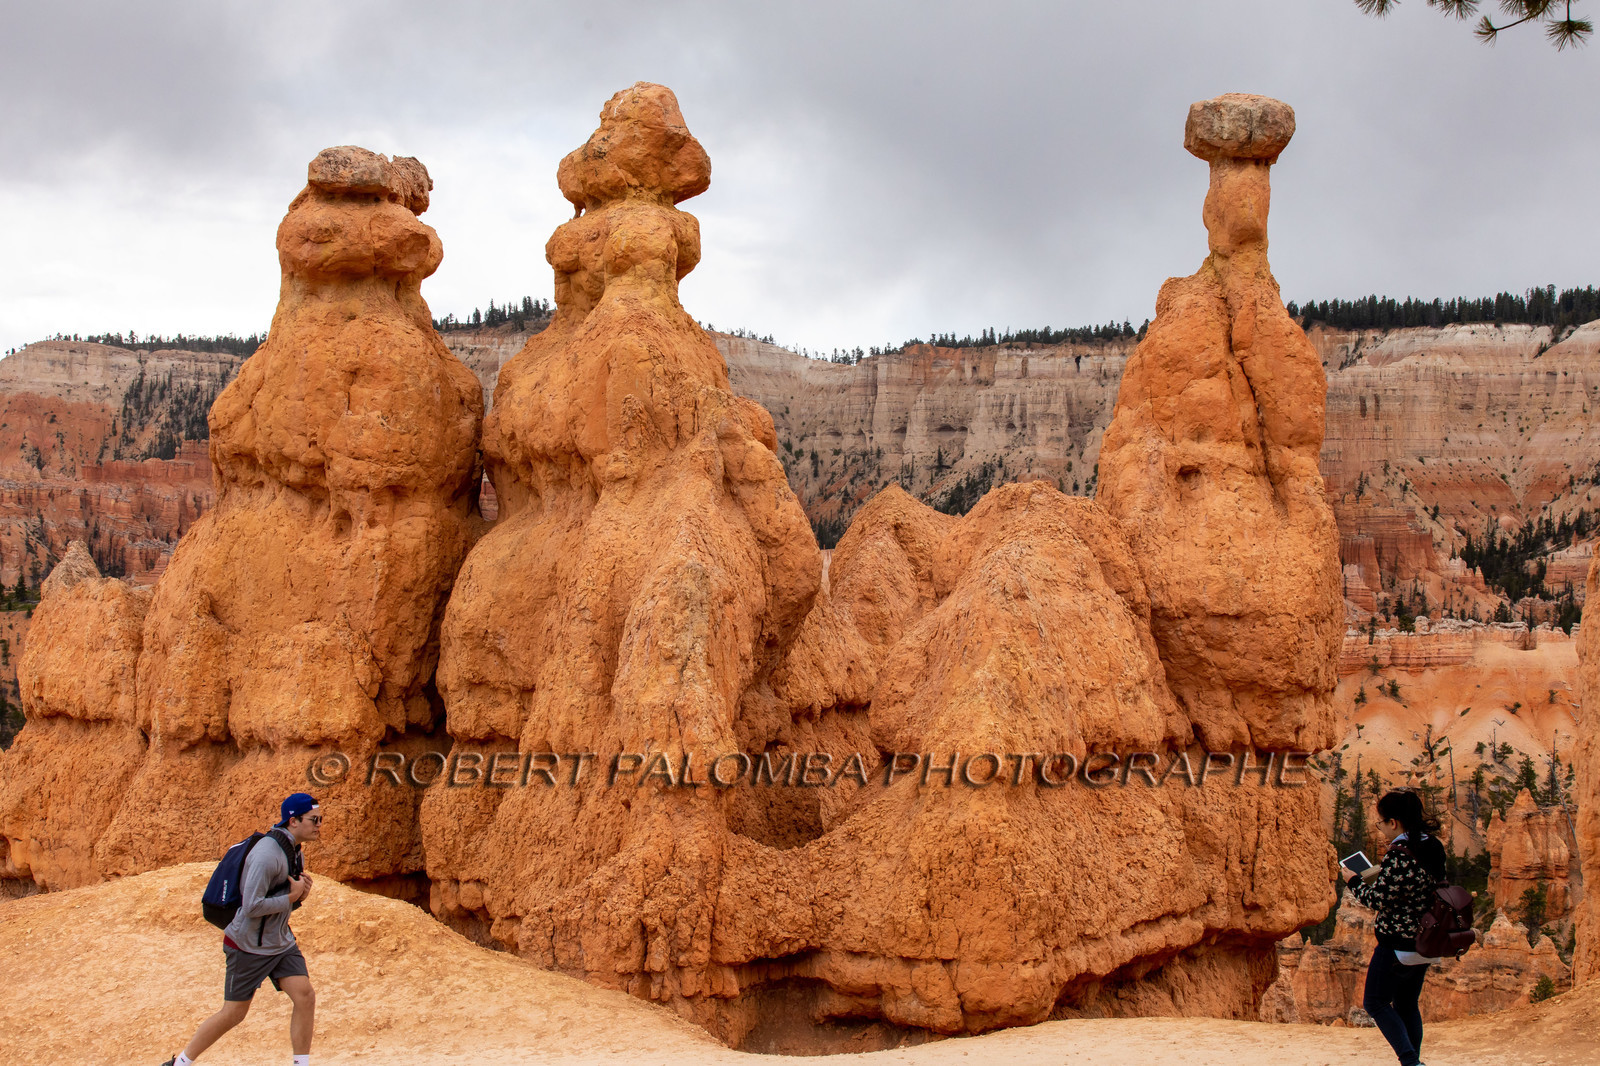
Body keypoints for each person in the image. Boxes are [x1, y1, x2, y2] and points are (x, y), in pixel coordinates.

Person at [162, 793, 322, 1066]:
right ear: (293, 821)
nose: (319, 825)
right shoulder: (265, 855)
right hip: (247, 945)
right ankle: (180, 1063)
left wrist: (300, 895)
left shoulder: (295, 852)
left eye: (320, 820)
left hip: (280, 942)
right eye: (314, 820)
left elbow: (284, 903)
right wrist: (291, 898)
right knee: (234, 1013)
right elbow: (251, 907)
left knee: (305, 995)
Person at [1339, 789, 1454, 1066]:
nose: (1380, 829)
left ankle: (1409, 1061)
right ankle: (1414, 1062)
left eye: (1381, 823)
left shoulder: (1399, 855)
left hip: (1397, 943)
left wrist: (1353, 881)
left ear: (1394, 822)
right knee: (1406, 1004)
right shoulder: (1432, 846)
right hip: (1428, 937)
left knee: (1375, 1002)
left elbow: (1377, 899)